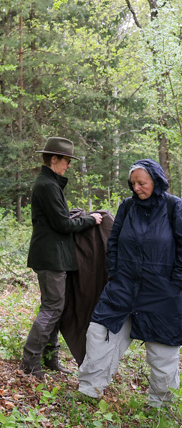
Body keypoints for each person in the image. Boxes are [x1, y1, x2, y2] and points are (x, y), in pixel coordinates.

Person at [78, 159, 182, 407]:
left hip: (161, 292)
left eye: (141, 183)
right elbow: (113, 242)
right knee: (99, 332)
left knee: (163, 350)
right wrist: (114, 273)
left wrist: (175, 283)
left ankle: (161, 405)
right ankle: (89, 390)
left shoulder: (173, 206)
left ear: (156, 181)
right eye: (133, 183)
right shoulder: (127, 207)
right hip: (122, 287)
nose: (136, 188)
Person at [23, 136, 103, 379]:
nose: (69, 165)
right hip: (51, 258)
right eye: (67, 160)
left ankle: (50, 358)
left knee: (55, 307)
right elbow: (62, 224)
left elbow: (59, 219)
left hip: (55, 256)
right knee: (52, 307)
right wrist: (90, 220)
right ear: (54, 159)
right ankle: (30, 361)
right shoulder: (47, 185)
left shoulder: (50, 184)